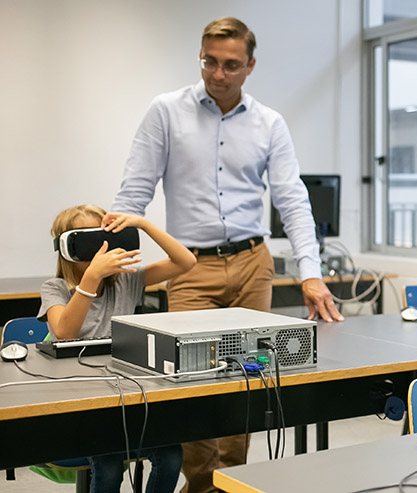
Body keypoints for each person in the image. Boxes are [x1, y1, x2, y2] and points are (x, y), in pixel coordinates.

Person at [110, 17, 343, 492]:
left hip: (253, 263)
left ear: (250, 65)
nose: (218, 74)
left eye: (231, 65)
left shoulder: (269, 123)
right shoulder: (166, 112)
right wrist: (110, 262)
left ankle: (232, 484)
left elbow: (293, 201)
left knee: (247, 381)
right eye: (209, 62)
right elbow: (134, 193)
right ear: (201, 56)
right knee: (194, 387)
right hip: (191, 268)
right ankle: (200, 485)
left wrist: (311, 273)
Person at [38, 204, 196, 492]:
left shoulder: (127, 280)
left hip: (127, 397)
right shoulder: (55, 288)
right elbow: (64, 332)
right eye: (91, 244)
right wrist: (90, 279)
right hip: (84, 403)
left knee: (171, 456)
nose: (103, 251)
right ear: (70, 248)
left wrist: (143, 225)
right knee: (109, 467)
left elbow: (186, 262)